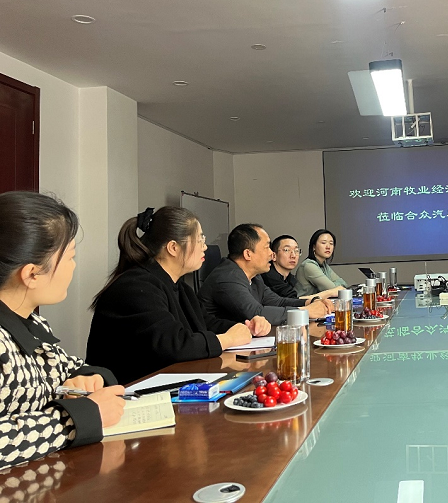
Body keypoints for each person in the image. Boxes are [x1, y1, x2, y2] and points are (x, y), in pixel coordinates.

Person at [0, 192, 125, 470]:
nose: (74, 266)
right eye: (70, 257)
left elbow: (70, 367)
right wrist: (78, 419)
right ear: (32, 274)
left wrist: (86, 379)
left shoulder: (32, 323)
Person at [87, 207, 268, 385]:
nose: (205, 247)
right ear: (173, 247)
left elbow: (205, 323)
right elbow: (174, 345)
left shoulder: (180, 288)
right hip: (129, 394)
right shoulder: (135, 287)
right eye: (199, 240)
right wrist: (228, 339)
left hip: (167, 384)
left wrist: (246, 327)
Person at [200, 225, 331, 325]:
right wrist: (306, 312)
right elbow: (257, 313)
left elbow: (278, 301)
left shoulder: (254, 277)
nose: (272, 254)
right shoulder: (227, 278)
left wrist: (310, 302)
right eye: (267, 247)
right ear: (248, 254)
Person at [262, 235, 342, 300]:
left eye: (296, 251)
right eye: (286, 250)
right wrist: (329, 293)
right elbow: (292, 301)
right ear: (274, 256)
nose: (293, 255)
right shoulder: (269, 276)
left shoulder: (289, 278)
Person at [294, 229, 348, 297]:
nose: (328, 247)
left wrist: (337, 287)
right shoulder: (309, 265)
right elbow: (333, 290)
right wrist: (337, 287)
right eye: (323, 243)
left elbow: (344, 284)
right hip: (303, 303)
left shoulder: (323, 264)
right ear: (314, 247)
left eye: (331, 243)